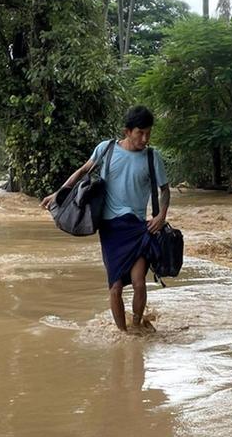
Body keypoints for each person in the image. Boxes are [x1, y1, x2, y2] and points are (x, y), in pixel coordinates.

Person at [41, 105, 169, 333]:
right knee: (116, 287)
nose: (145, 138)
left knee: (139, 283)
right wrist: (57, 194)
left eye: (148, 132)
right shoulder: (106, 149)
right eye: (140, 132)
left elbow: (165, 189)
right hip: (111, 229)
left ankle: (137, 326)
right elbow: (82, 171)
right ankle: (123, 333)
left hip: (140, 227)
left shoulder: (152, 157)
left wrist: (161, 215)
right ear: (127, 131)